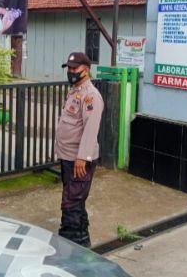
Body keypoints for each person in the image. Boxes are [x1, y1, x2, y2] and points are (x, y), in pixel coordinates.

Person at [55, 52, 104, 247]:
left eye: (75, 68)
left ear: (87, 69)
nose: (71, 71)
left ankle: (69, 245)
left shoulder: (91, 96)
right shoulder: (75, 91)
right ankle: (82, 244)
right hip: (68, 157)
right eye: (69, 68)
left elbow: (90, 129)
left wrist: (82, 157)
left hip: (79, 160)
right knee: (76, 201)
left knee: (71, 203)